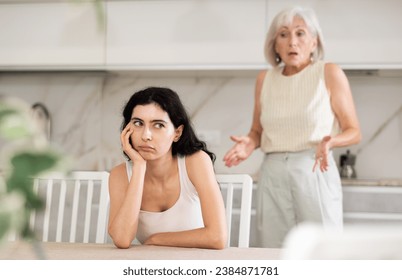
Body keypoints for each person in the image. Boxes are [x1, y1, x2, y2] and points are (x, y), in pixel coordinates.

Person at [223, 6, 361, 248]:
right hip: (272, 173)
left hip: (314, 168)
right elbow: (257, 131)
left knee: (323, 250)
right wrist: (249, 143)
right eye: (284, 34)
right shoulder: (265, 79)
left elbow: (353, 130)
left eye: (300, 33)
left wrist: (331, 141)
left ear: (314, 42)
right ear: (275, 45)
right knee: (275, 250)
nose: (292, 42)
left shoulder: (328, 73)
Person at [108, 87, 227, 249]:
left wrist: (156, 239)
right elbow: (122, 239)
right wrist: (139, 167)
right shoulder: (120, 175)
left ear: (177, 133)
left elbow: (217, 237)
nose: (145, 135)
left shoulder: (196, 161)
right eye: (138, 123)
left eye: (158, 125)